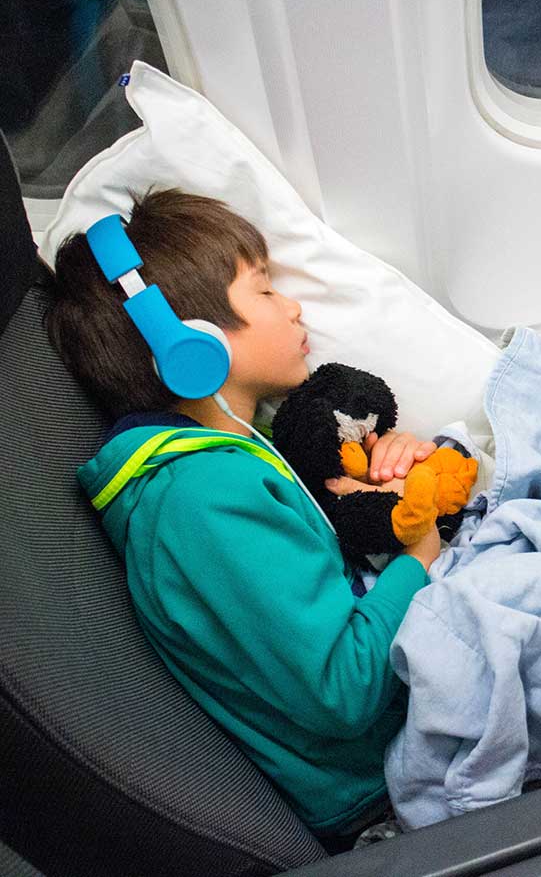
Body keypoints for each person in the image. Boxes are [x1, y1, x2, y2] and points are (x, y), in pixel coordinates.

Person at [42, 187, 436, 840]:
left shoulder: (234, 451)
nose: (293, 306)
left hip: (402, 723)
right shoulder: (201, 500)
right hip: (387, 781)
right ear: (187, 346)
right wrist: (419, 553)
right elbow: (342, 686)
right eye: (264, 291)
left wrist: (386, 476)